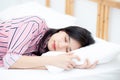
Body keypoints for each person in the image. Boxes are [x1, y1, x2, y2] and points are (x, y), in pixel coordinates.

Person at [0, 16, 96, 70]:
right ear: (62, 31)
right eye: (65, 39)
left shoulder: (42, 53)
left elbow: (21, 64)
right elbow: (10, 60)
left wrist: (74, 66)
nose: (60, 45)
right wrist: (53, 60)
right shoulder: (35, 24)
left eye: (67, 50)